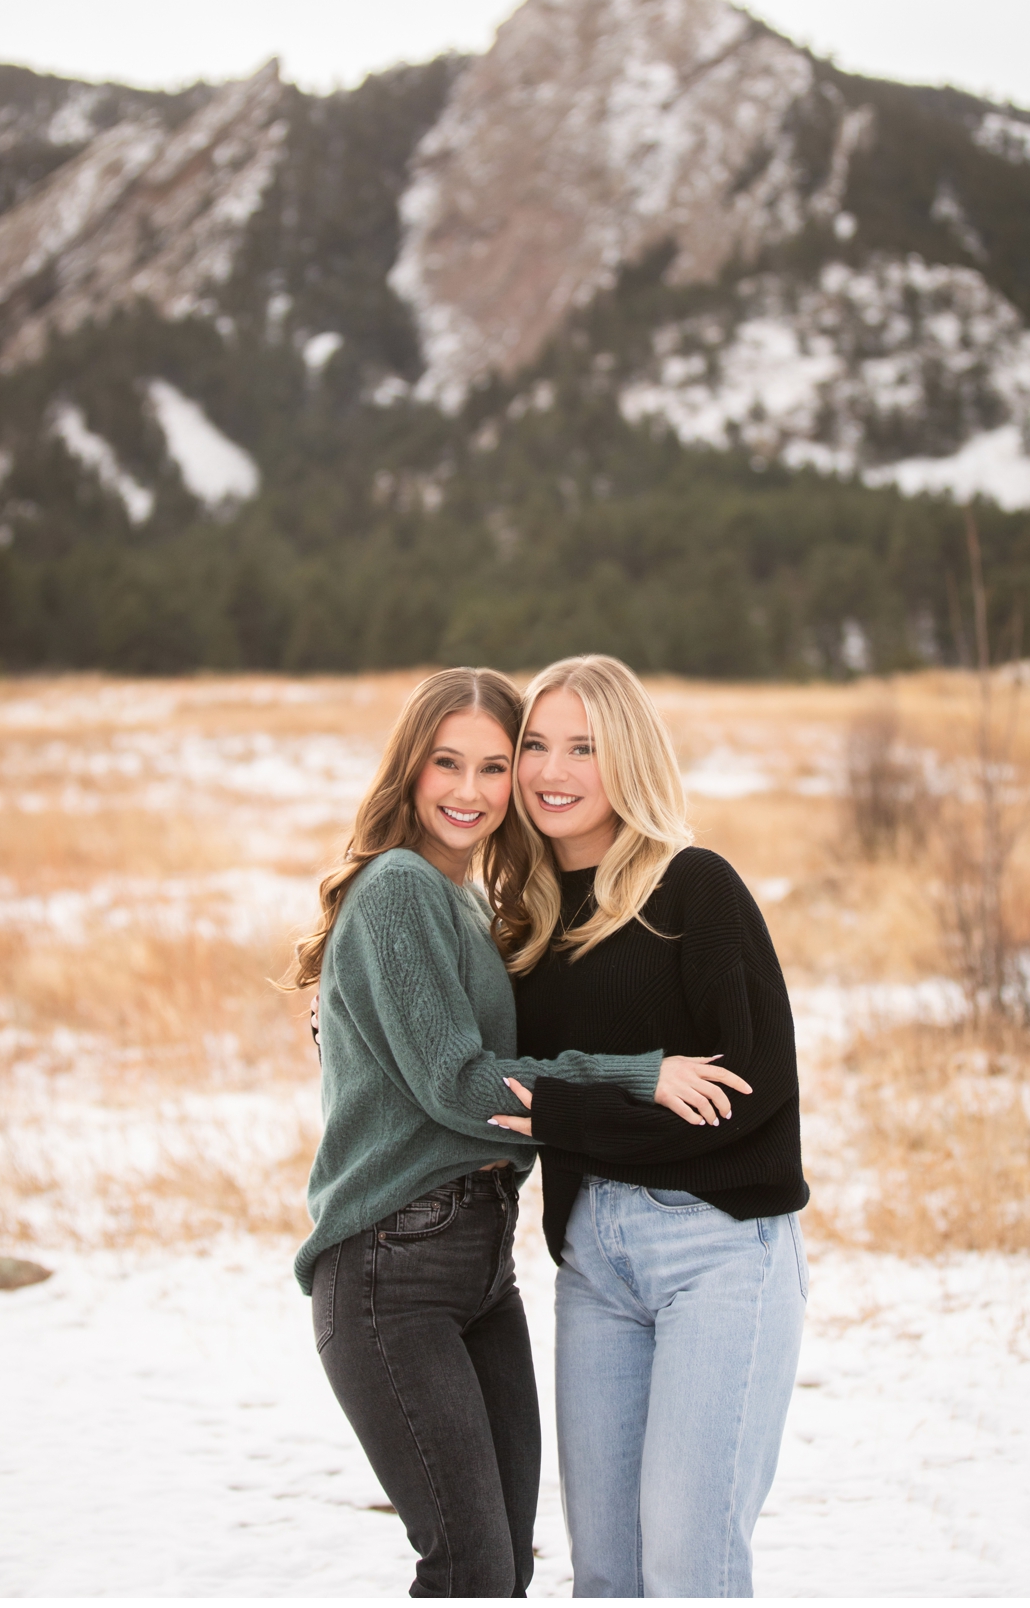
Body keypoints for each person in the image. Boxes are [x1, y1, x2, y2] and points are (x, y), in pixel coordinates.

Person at [287, 667, 746, 1598]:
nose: (470, 791)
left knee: (500, 1570)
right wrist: (639, 1076)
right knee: (467, 1568)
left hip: (478, 1267)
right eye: (445, 764)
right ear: (408, 770)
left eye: (495, 766)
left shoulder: (464, 897)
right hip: (391, 1268)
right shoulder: (402, 888)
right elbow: (462, 1086)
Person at [484, 654, 808, 1598]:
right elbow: (487, 1079)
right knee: (608, 1577)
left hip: (718, 1251)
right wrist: (342, 1007)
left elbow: (750, 1098)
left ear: (627, 756)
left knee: (689, 1570)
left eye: (583, 747)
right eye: (535, 746)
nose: (552, 770)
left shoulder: (694, 891)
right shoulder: (525, 928)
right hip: (593, 1262)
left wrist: (571, 1114)